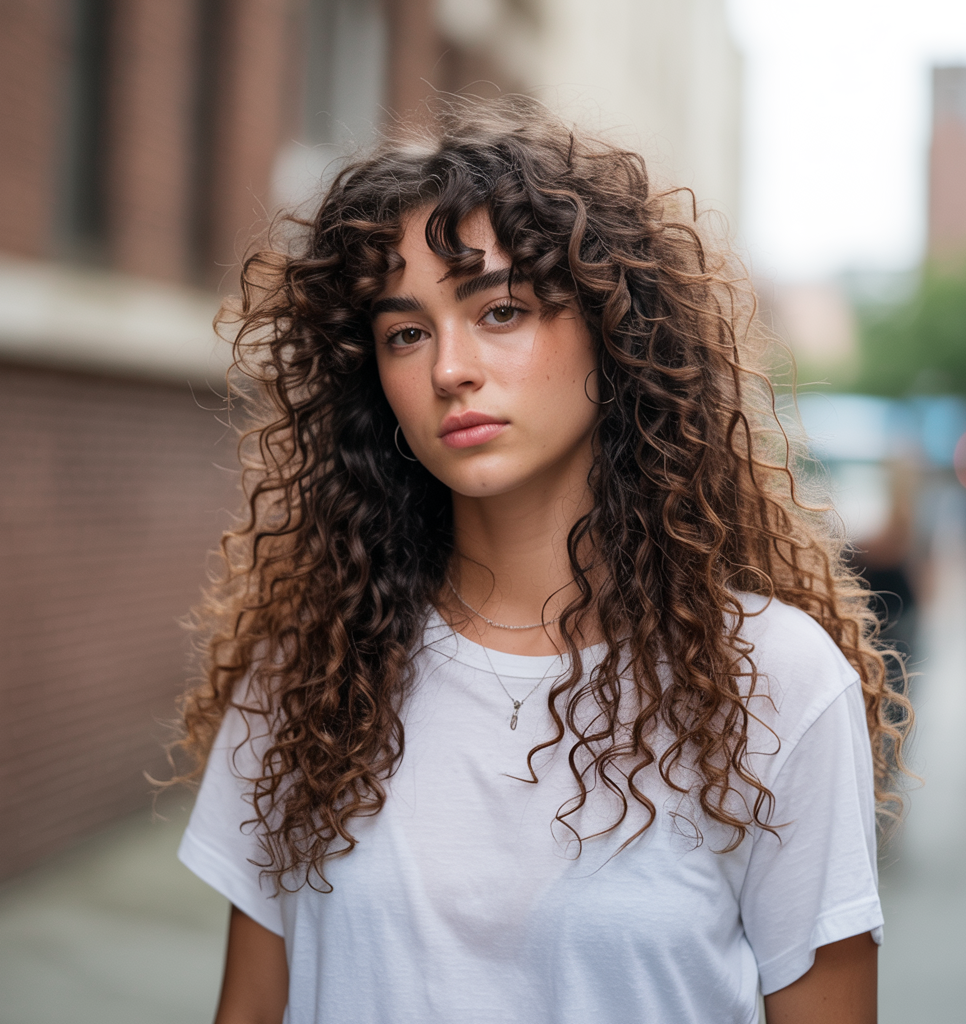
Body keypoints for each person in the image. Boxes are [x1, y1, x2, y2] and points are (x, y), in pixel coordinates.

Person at [174, 97, 909, 1024]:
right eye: (406, 333)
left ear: (615, 331)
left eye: (502, 309)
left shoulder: (774, 683)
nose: (450, 367)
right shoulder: (310, 674)